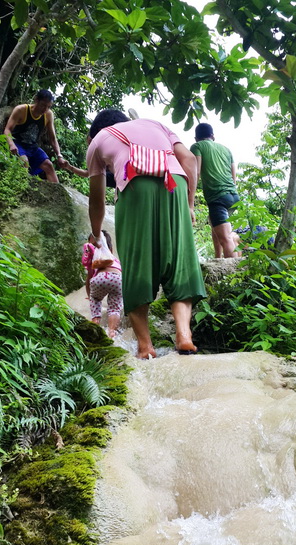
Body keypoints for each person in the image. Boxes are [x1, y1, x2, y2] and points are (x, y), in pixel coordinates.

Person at [86, 108, 206, 359]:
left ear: (95, 132)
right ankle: (184, 336)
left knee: (137, 263)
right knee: (180, 261)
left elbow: (96, 200)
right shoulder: (156, 125)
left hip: (135, 186)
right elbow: (190, 161)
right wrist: (190, 205)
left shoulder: (98, 141)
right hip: (174, 182)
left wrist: (97, 234)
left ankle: (145, 346)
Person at [190, 123, 240, 258]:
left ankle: (233, 274)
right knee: (215, 224)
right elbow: (233, 177)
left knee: (226, 239)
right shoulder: (227, 150)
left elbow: (196, 173)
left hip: (217, 197)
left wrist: (191, 201)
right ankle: (218, 258)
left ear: (196, 138)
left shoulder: (197, 147)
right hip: (234, 197)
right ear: (213, 136)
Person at [4, 89, 67, 182]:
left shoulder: (48, 115)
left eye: (48, 107)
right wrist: (11, 144)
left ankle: (59, 194)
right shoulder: (21, 110)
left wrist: (59, 156)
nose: (45, 109)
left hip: (32, 147)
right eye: (43, 105)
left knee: (49, 165)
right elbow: (7, 129)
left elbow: (52, 138)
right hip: (18, 144)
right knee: (24, 161)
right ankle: (24, 189)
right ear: (36, 100)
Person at [82, 230, 123, 339]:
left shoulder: (94, 262)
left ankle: (95, 322)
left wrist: (89, 296)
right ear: (111, 249)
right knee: (114, 309)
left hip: (100, 279)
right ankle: (112, 332)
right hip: (118, 279)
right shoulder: (115, 260)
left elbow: (89, 279)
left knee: (95, 299)